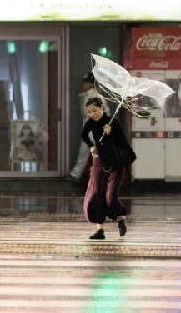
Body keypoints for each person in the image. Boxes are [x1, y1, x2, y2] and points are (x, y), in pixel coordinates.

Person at [81, 97, 128, 240]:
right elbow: (84, 135)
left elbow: (122, 143)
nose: (92, 114)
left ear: (102, 107)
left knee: (110, 197)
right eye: (89, 112)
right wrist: (91, 145)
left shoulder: (113, 122)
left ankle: (120, 219)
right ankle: (100, 230)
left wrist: (111, 132)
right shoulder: (90, 123)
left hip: (115, 163)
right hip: (99, 162)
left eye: (94, 110)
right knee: (96, 194)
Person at [70, 73, 110, 180]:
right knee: (83, 150)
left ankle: (96, 175)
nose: (83, 84)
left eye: (86, 82)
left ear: (91, 84)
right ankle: (76, 173)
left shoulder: (96, 97)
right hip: (88, 127)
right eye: (84, 82)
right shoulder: (85, 95)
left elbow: (106, 112)